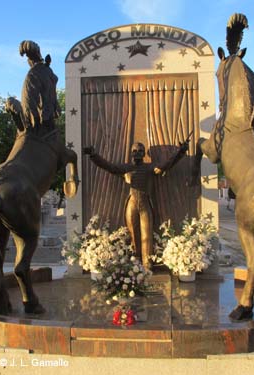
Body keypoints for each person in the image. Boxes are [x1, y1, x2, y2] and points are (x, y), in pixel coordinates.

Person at [83, 141, 188, 269]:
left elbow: (166, 165)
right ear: (131, 153)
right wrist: (94, 155)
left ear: (144, 154)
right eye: (134, 151)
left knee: (147, 235)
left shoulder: (150, 167)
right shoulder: (126, 168)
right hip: (131, 204)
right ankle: (136, 263)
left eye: (140, 151)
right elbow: (108, 166)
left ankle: (147, 263)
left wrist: (181, 152)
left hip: (145, 204)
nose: (137, 153)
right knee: (133, 235)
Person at [19, 41, 61, 133]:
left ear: (30, 59)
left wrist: (34, 121)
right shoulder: (47, 70)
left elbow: (28, 100)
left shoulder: (34, 73)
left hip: (42, 122)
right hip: (49, 119)